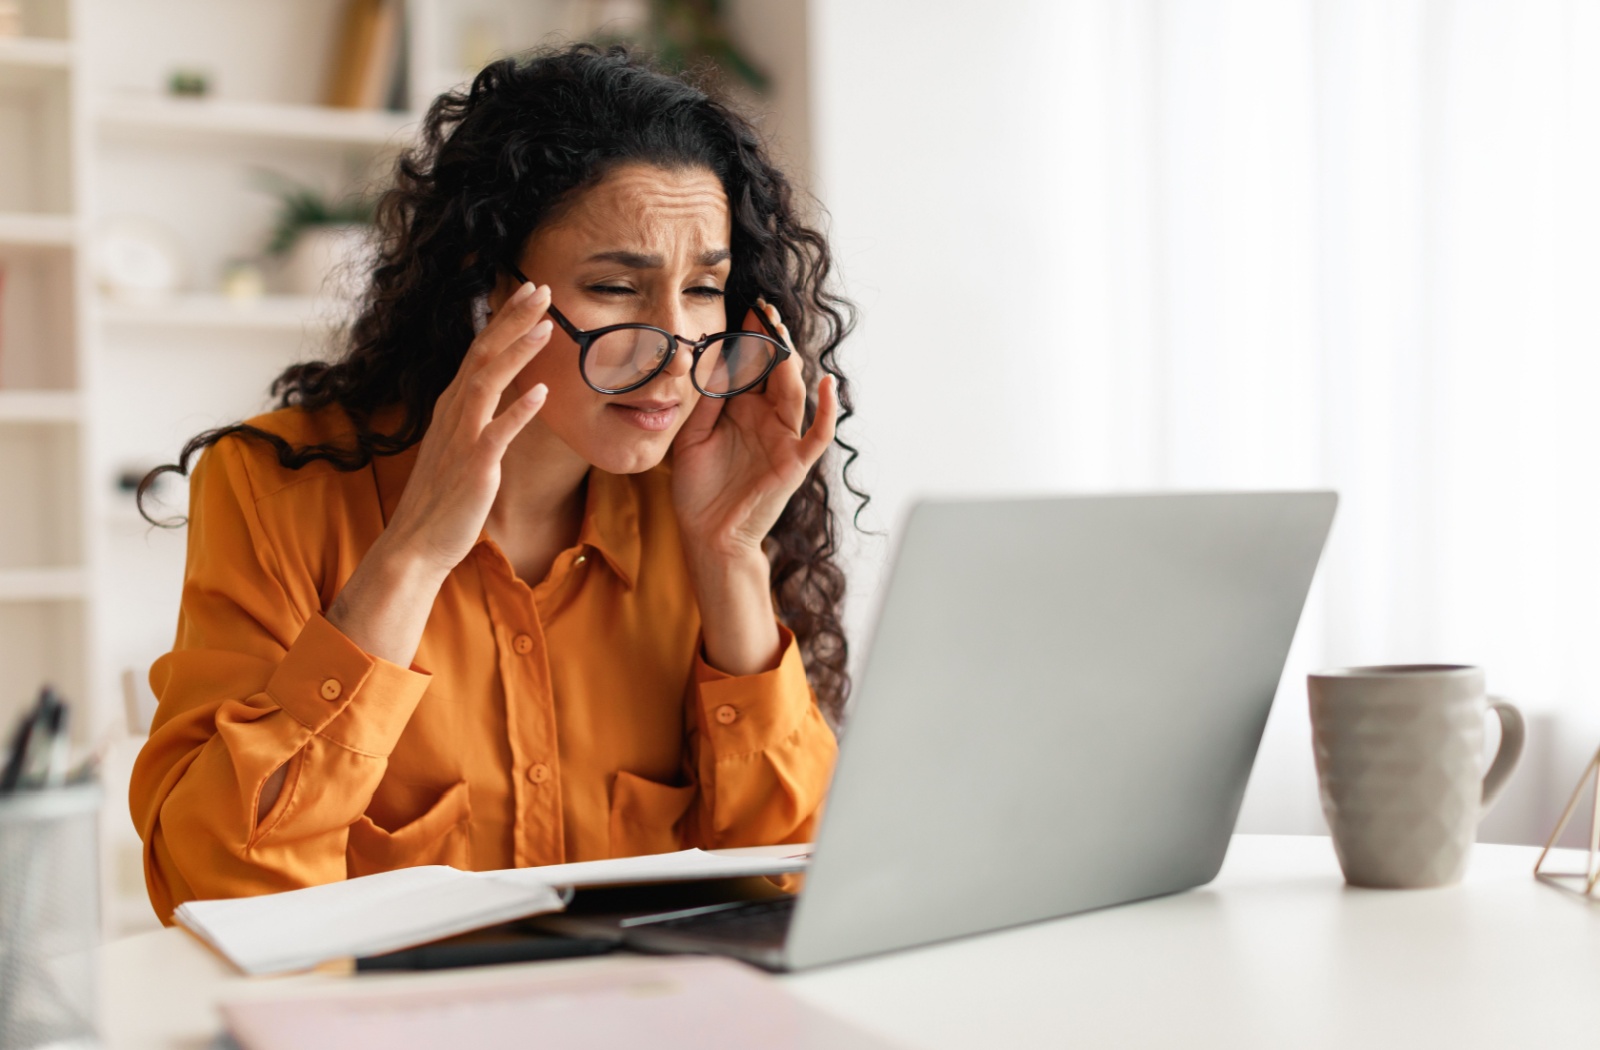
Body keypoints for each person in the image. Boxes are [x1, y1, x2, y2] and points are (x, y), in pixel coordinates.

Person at [128, 44, 863, 922]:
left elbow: (797, 889)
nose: (676, 352)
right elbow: (218, 887)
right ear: (486, 283)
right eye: (616, 287)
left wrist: (731, 554)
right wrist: (410, 556)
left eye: (704, 288)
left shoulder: (698, 493)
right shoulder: (270, 489)